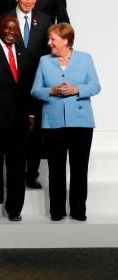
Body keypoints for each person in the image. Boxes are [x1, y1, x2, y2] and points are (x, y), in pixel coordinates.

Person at [31, 23, 100, 221]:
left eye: (53, 39)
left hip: (81, 123)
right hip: (53, 123)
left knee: (79, 169)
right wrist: (51, 91)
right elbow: (35, 90)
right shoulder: (45, 61)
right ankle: (57, 211)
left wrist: (76, 89)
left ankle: (79, 211)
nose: (49, 43)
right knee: (56, 170)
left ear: (66, 41)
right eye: (49, 39)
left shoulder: (85, 59)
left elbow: (95, 86)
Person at [0, 16, 36, 222]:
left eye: (15, 28)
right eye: (7, 28)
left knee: (18, 167)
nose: (12, 31)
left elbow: (28, 87)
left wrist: (30, 113)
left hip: (19, 121)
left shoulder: (24, 52)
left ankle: (14, 209)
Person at [2, 0, 53, 189]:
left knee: (35, 132)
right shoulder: (5, 19)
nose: (29, 1)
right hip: (10, 84)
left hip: (36, 83)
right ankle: (13, 174)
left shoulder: (45, 19)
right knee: (12, 131)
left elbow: (49, 51)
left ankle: (31, 174)